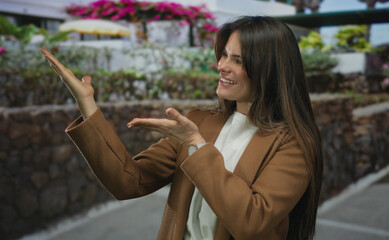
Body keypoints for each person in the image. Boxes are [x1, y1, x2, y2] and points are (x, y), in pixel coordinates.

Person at [41, 16, 323, 240]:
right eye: (223, 55)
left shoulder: (294, 144)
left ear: (270, 69)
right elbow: (129, 181)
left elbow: (251, 222)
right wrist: (87, 104)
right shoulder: (200, 122)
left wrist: (196, 145)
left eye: (237, 60)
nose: (221, 65)